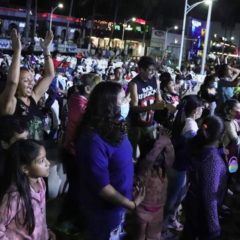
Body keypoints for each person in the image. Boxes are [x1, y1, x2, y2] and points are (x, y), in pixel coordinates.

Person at [75, 82, 145, 240]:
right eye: (122, 99)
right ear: (108, 104)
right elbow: (102, 187)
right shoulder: (92, 140)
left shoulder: (118, 124)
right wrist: (131, 205)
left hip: (119, 205)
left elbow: (123, 155)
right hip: (103, 211)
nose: (127, 101)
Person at [181, 116, 227, 240]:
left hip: (193, 207)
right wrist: (214, 228)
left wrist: (220, 153)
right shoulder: (213, 162)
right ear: (221, 136)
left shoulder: (200, 149)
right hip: (203, 216)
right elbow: (209, 197)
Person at [3, 30, 54, 140]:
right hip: (19, 156)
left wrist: (46, 49)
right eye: (26, 80)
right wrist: (17, 51)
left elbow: (50, 75)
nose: (31, 83)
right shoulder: (10, 103)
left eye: (31, 80)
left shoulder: (33, 98)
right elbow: (12, 82)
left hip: (36, 153)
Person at [0, 139, 55, 239]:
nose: (48, 163)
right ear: (25, 168)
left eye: (46, 158)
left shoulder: (41, 183)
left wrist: (45, 231)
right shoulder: (15, 196)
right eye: (41, 160)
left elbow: (41, 214)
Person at [164, 95, 203, 233]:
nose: (203, 110)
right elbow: (194, 145)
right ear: (195, 110)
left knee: (172, 194)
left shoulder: (180, 117)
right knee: (174, 196)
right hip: (180, 165)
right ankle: (165, 225)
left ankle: (169, 219)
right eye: (201, 108)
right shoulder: (190, 124)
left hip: (174, 162)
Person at [128, 56, 173, 160]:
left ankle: (145, 175)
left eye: (154, 70)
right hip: (136, 125)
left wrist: (166, 105)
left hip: (150, 124)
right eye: (150, 70)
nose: (153, 73)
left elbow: (159, 99)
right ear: (141, 69)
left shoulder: (155, 80)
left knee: (149, 154)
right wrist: (152, 106)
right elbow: (134, 107)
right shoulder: (134, 84)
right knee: (133, 156)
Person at [135, 129, 175, 240]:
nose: (158, 156)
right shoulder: (144, 170)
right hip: (142, 211)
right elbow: (149, 159)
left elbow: (170, 156)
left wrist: (167, 142)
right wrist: (161, 142)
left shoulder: (163, 170)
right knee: (140, 236)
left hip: (158, 211)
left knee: (154, 236)